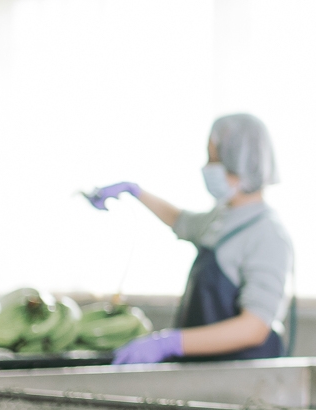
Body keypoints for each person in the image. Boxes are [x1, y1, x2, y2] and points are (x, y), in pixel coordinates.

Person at [89, 113, 294, 364]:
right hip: (207, 370)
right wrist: (136, 192)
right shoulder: (223, 217)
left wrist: (172, 342)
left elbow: (255, 327)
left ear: (238, 162)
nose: (208, 167)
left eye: (213, 158)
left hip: (243, 377)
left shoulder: (267, 235)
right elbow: (180, 221)